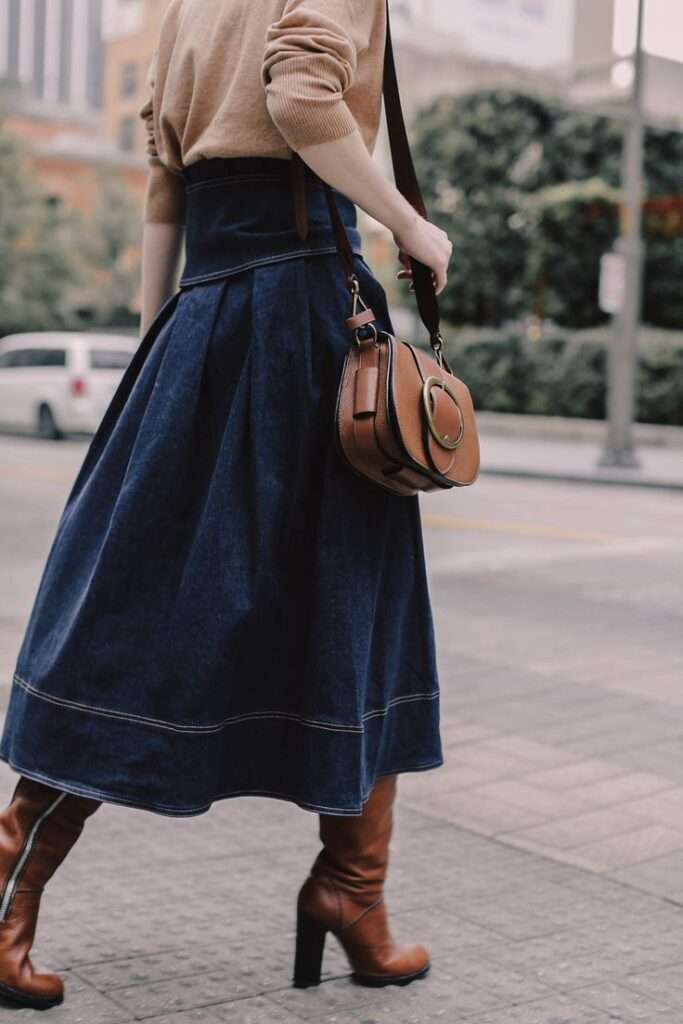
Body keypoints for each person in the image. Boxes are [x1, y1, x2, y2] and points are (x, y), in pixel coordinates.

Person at [0, 0, 453, 1009]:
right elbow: (300, 95)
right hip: (300, 318)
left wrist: (156, 345)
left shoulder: (187, 5)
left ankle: (10, 898)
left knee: (134, 610)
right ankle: (350, 895)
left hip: (200, 317)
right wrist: (410, 222)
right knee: (360, 607)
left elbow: (164, 183)